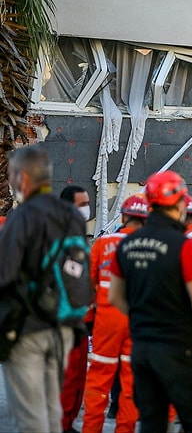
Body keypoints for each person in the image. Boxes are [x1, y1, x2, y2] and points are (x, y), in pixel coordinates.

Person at [108, 170, 192, 433]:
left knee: (152, 422)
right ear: (179, 203)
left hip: (142, 347)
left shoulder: (126, 244)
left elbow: (115, 297)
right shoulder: (184, 245)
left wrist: (142, 320)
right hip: (178, 347)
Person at [0, 143, 87, 432]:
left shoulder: (22, 217)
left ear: (23, 177)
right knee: (52, 409)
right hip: (63, 327)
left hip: (28, 329)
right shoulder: (72, 216)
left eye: (11, 174)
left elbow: (4, 274)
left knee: (29, 416)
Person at [82, 194, 149, 433]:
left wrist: (89, 320)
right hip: (139, 323)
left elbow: (87, 288)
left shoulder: (103, 244)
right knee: (131, 381)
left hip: (107, 321)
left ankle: (91, 428)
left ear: (123, 216)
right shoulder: (154, 247)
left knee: (99, 377)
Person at [59, 184, 94, 433]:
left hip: (79, 318)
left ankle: (67, 422)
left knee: (77, 377)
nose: (86, 209)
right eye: (81, 204)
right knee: (67, 378)